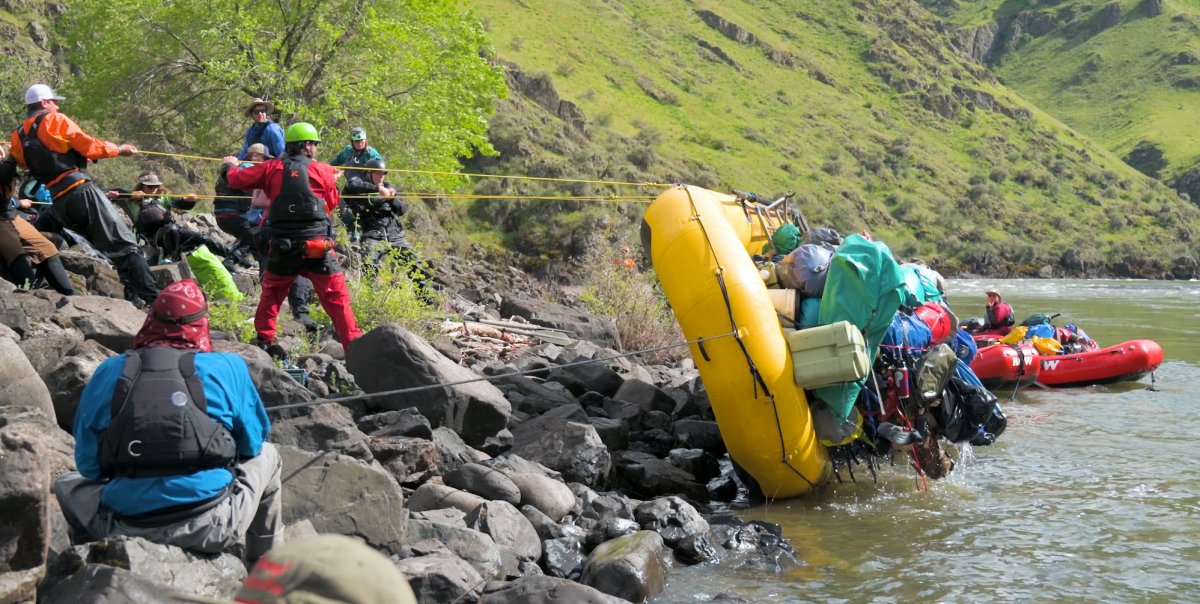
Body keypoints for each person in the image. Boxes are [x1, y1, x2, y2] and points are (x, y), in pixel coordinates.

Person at [53, 279, 281, 563]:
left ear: (150, 320)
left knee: (64, 484)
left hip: (122, 524)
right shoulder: (228, 366)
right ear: (202, 325)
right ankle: (267, 572)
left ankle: (90, 563)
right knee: (271, 455)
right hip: (213, 526)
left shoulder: (108, 371)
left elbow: (89, 467)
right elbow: (253, 444)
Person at [8, 84, 160, 306]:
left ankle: (135, 298)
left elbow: (27, 162)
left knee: (107, 247)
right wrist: (119, 149)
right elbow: (88, 145)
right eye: (54, 101)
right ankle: (156, 301)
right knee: (125, 245)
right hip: (81, 192)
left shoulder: (18, 135)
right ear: (43, 103)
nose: (57, 105)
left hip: (59, 203)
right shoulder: (55, 120)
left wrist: (69, 156)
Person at [223, 122, 363, 352]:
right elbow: (332, 203)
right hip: (318, 246)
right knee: (338, 300)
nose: (316, 149)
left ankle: (264, 341)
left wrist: (228, 166)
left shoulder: (270, 167)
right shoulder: (324, 170)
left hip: (283, 247)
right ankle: (354, 346)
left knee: (272, 294)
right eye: (315, 145)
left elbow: (236, 180)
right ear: (306, 145)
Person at [215, 147, 318, 330]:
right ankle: (288, 315)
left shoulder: (270, 169)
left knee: (276, 264)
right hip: (262, 225)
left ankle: (288, 314)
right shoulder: (258, 168)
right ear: (255, 156)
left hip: (264, 224)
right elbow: (258, 200)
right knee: (276, 264)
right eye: (263, 157)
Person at [107, 172, 231, 264]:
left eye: (156, 186)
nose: (154, 189)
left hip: (174, 232)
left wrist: (190, 200)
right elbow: (108, 194)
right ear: (141, 187)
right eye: (150, 187)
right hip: (152, 237)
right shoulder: (131, 200)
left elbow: (182, 204)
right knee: (172, 229)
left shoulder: (164, 198)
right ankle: (171, 260)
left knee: (204, 239)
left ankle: (232, 257)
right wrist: (125, 195)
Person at [0, 157, 73, 293]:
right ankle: (31, 293)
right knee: (15, 252)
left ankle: (69, 295)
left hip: (10, 215)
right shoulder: (6, 168)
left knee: (47, 248)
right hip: (3, 219)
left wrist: (17, 203)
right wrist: (12, 157)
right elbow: (3, 177)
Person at [330, 127, 382, 243]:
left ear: (365, 140)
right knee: (340, 207)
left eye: (362, 141)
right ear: (352, 142)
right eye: (357, 141)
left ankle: (366, 236)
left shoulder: (372, 154)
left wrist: (379, 188)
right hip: (350, 189)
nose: (360, 143)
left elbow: (380, 172)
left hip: (367, 189)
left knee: (366, 214)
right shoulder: (347, 152)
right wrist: (330, 171)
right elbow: (333, 163)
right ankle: (351, 233)